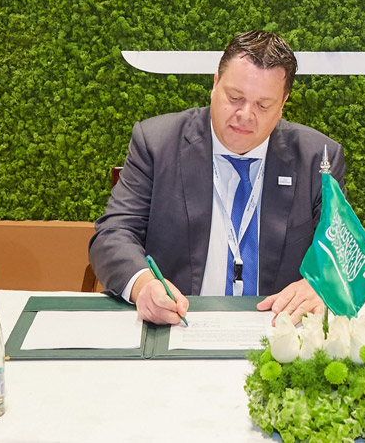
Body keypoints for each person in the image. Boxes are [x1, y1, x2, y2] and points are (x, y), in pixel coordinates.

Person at [89, 31, 344, 325]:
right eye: (235, 98)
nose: (245, 115)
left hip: (277, 329)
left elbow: (341, 252)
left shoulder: (318, 159)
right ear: (214, 85)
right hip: (179, 325)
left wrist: (322, 285)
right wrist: (144, 285)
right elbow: (113, 233)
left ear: (283, 103)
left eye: (263, 105)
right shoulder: (157, 144)